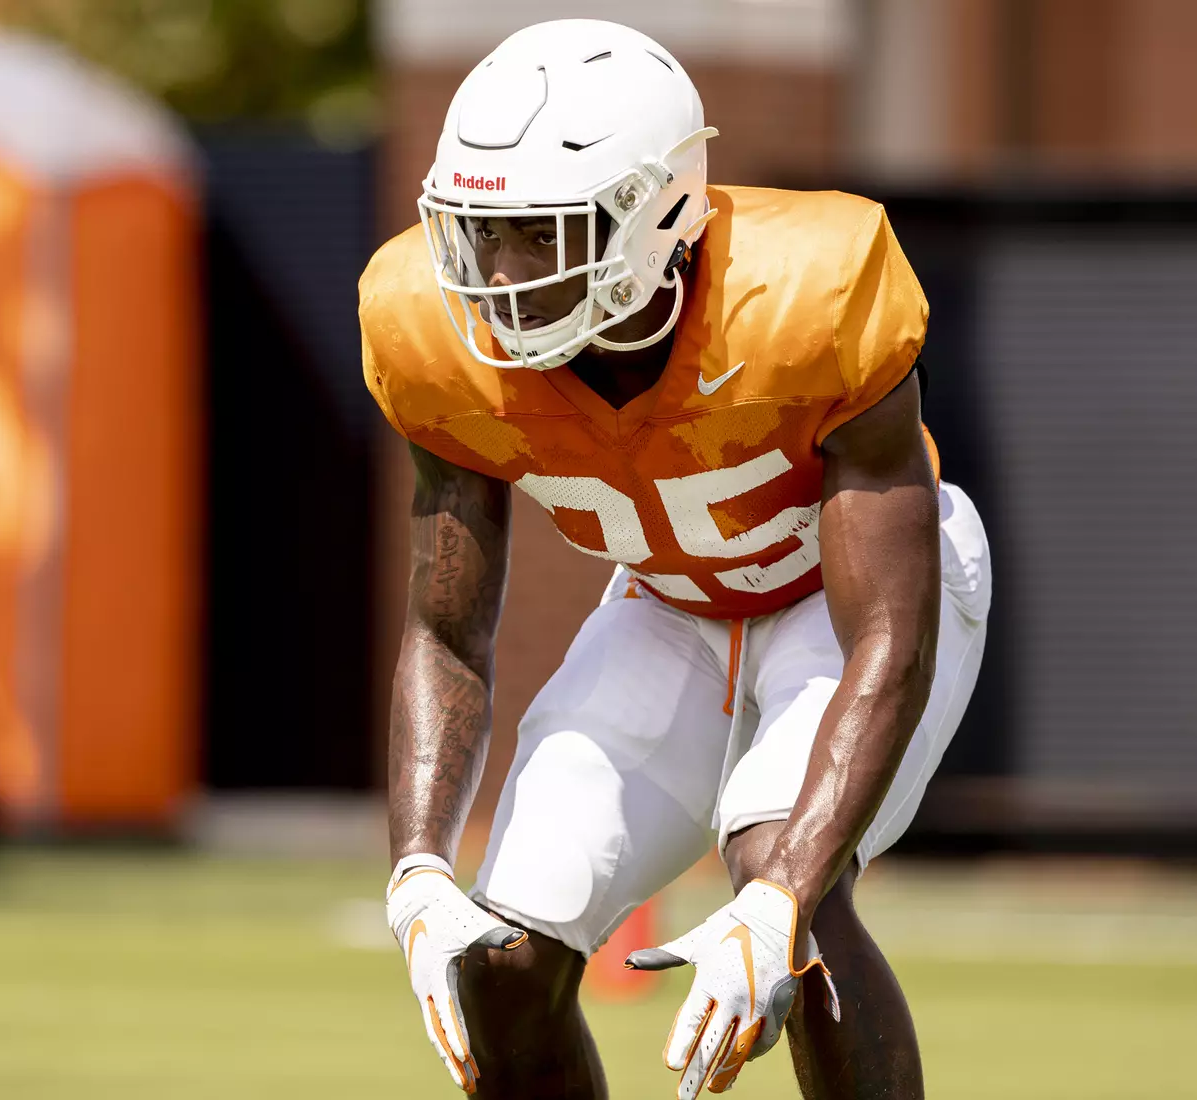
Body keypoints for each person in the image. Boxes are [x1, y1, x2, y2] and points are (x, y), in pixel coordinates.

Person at [365, 19, 990, 1100]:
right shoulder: (433, 335)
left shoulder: (808, 294)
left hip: (845, 608)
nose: (499, 275)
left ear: (657, 213)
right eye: (482, 233)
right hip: (666, 600)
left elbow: (887, 637)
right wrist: (419, 863)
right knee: (501, 954)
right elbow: (442, 626)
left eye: (542, 236)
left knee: (785, 891)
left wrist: (781, 892)